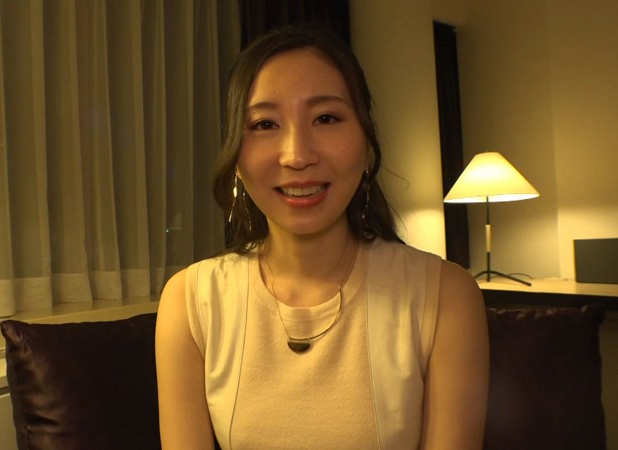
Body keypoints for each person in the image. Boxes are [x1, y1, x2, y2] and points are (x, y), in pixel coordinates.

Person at [156, 25, 489, 449]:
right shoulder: (191, 301)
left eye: (326, 118)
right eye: (264, 123)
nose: (297, 156)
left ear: (367, 145)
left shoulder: (444, 296)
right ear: (236, 156)